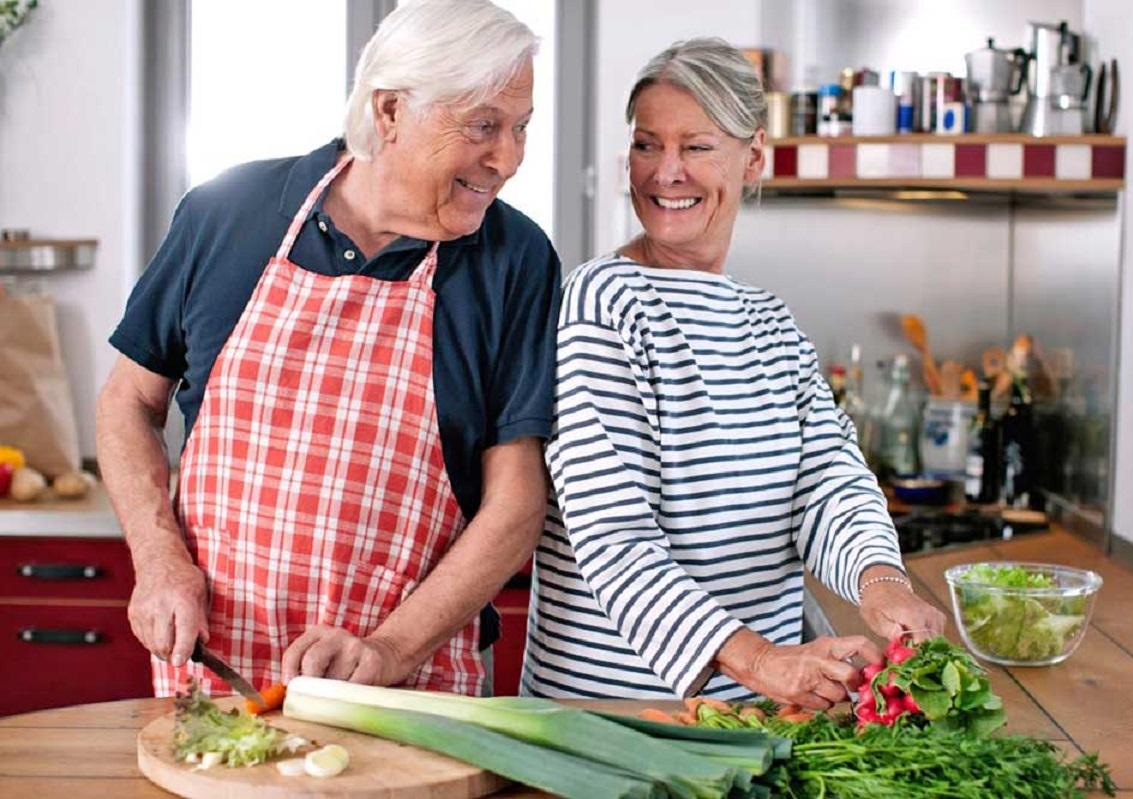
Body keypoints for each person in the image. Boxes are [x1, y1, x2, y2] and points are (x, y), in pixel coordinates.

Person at [96, 0, 559, 698]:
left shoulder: (514, 259)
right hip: (215, 678)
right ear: (390, 111)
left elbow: (517, 501)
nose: (509, 159)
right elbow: (128, 399)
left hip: (410, 690)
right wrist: (159, 557)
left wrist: (388, 649)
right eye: (484, 127)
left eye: (521, 128)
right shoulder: (230, 212)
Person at [522, 38, 944, 705]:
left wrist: (879, 579)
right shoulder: (601, 302)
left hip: (758, 721)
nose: (666, 172)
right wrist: (764, 662)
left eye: (695, 146)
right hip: (619, 716)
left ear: (753, 158)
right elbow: (613, 537)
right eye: (646, 144)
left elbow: (828, 482)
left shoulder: (770, 323)